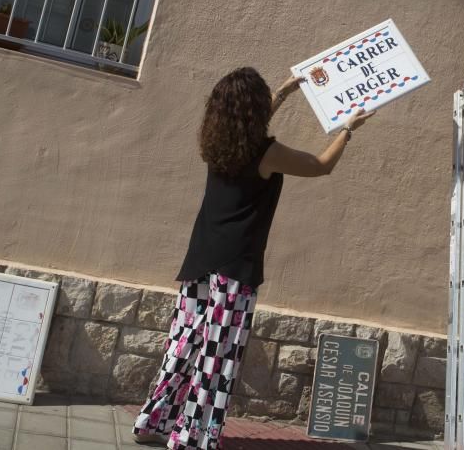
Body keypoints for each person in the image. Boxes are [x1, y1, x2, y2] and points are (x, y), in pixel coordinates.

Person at [131, 67, 373, 449]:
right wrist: (348, 129)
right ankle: (193, 437)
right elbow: (321, 166)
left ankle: (155, 421)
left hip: (200, 257)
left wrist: (283, 93)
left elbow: (250, 125)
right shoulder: (267, 153)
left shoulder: (216, 140)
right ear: (255, 110)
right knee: (217, 353)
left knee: (183, 344)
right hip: (235, 267)